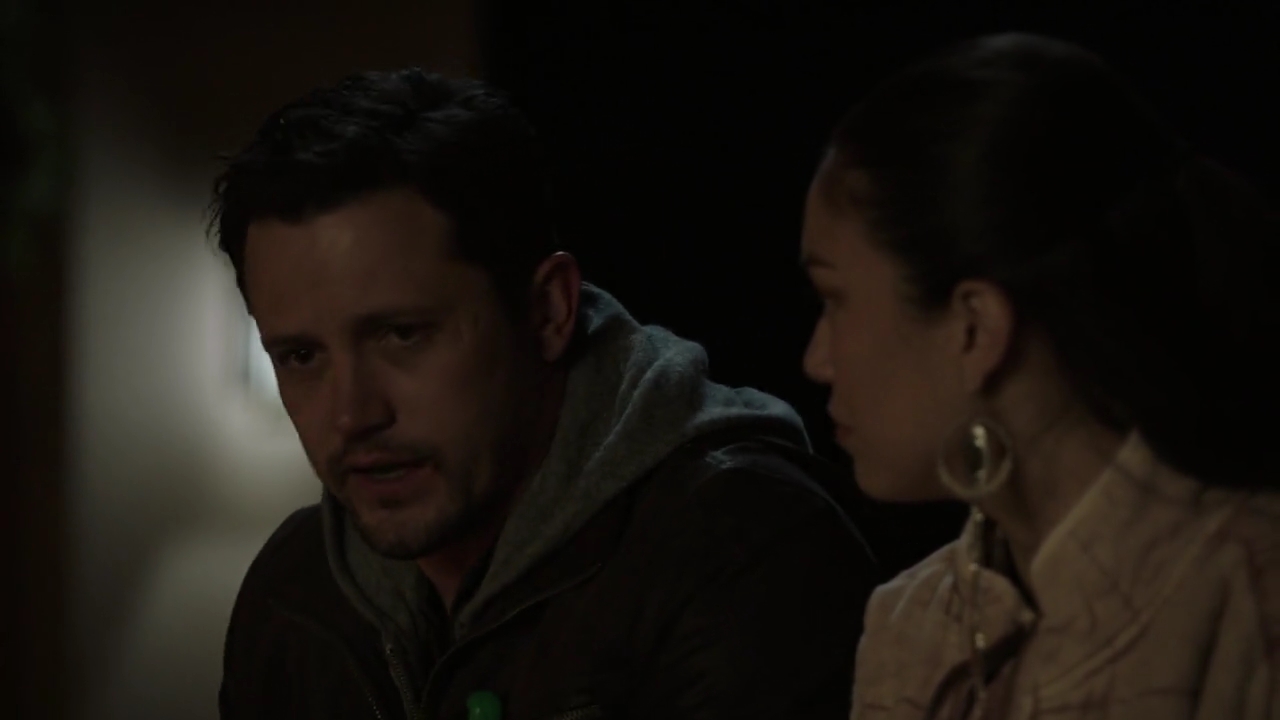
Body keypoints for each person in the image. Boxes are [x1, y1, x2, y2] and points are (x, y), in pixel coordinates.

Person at [212, 68, 876, 720]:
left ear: (549, 312)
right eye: (300, 356)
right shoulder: (293, 593)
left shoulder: (744, 546)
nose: (353, 414)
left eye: (403, 335)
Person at [799, 32, 1280, 720]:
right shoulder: (909, 631)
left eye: (835, 299)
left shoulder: (1251, 604)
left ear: (974, 328)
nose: (816, 360)